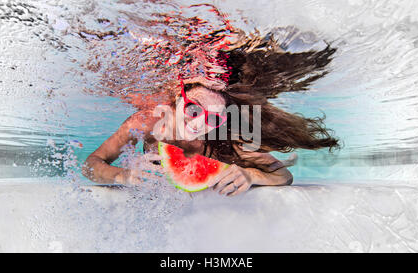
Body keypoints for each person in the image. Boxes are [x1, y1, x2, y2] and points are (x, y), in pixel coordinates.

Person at [82, 22, 340, 196]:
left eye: (214, 117)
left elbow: (283, 175)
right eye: (194, 109)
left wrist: (250, 175)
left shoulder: (229, 138)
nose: (199, 124)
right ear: (177, 97)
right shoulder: (147, 121)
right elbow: (91, 164)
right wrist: (123, 175)